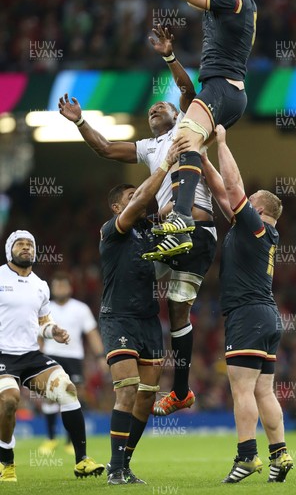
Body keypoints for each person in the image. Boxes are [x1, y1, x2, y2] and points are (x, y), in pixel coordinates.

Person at [59, 25, 217, 416]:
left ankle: (147, 365)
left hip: (194, 230)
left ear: (177, 114)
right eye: (150, 110)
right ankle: (176, 387)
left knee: (167, 294)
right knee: (168, 304)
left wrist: (169, 56)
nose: (154, 110)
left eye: (160, 107)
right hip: (166, 235)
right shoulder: (148, 148)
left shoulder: (189, 127)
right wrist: (80, 122)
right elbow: (106, 148)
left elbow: (187, 92)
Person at [152, 0, 258, 257]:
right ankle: (185, 229)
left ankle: (182, 217)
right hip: (227, 92)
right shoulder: (229, 4)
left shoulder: (234, 0)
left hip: (221, 88)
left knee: (183, 136)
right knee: (189, 147)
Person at [199, 126, 293, 484]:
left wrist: (222, 142)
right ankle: (280, 455)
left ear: (257, 208)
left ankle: (247, 456)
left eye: (249, 200)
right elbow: (226, 195)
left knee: (241, 389)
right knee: (263, 390)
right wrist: (205, 159)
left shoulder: (255, 226)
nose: (242, 201)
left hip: (247, 315)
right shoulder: (257, 230)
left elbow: (234, 189)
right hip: (267, 316)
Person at [98, 142, 178, 484]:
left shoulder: (148, 231)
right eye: (133, 195)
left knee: (146, 399)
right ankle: (115, 469)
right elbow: (147, 197)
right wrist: (165, 162)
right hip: (119, 317)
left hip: (148, 321)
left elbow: (170, 206)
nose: (142, 198)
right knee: (127, 391)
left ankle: (124, 464)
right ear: (118, 206)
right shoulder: (112, 230)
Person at [0, 231, 104, 483]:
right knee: (9, 401)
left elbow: (43, 322)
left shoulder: (40, 285)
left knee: (67, 389)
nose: (26, 248)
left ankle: (82, 461)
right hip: (2, 354)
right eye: (20, 244)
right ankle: (6, 462)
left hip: (31, 354)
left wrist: (53, 331)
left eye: (30, 245)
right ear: (9, 250)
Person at [39, 271, 108, 456]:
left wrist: (101, 356)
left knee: (72, 395)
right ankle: (51, 439)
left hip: (74, 358)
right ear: (52, 288)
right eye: (57, 285)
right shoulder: (46, 308)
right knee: (49, 395)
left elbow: (92, 333)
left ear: (70, 287)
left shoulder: (81, 308)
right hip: (51, 355)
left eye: (64, 285)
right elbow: (37, 334)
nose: (60, 288)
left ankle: (70, 442)